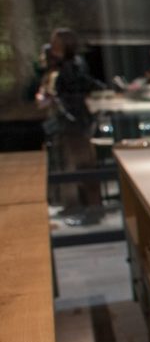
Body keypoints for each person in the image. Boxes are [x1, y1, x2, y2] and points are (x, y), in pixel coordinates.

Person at [37, 28, 103, 216]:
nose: (51, 45)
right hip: (69, 121)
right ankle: (80, 207)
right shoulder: (62, 66)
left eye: (55, 42)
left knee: (79, 164)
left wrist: (56, 98)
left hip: (74, 121)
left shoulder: (71, 66)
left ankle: (87, 208)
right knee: (73, 164)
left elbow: (86, 86)